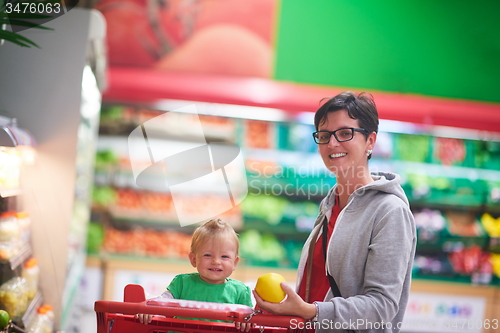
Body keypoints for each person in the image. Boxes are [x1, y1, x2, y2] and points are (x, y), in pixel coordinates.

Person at [253, 91, 416, 333]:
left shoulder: (389, 212)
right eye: (324, 135)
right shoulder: (331, 204)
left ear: (370, 141)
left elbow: (382, 307)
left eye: (345, 133)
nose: (332, 144)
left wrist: (312, 312)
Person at [136, 219, 253, 332]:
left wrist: (247, 321)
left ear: (235, 263)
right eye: (208, 255)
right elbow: (162, 303)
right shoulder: (181, 283)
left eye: (224, 257)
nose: (216, 261)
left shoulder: (241, 292)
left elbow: (251, 318)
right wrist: (150, 310)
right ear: (193, 259)